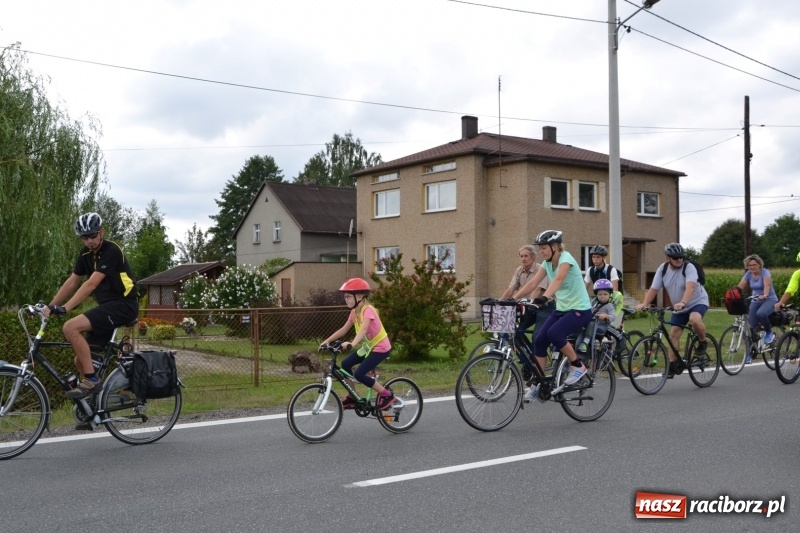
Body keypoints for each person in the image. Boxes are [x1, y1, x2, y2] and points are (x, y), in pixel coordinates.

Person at [45, 212, 139, 399]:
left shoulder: (112, 251)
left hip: (124, 305)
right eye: (85, 237)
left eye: (93, 235)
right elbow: (72, 282)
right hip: (108, 307)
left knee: (70, 327)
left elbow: (91, 284)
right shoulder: (85, 254)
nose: (89, 241)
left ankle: (92, 381)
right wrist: (50, 306)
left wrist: (66, 308)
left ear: (101, 232)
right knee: (81, 359)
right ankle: (95, 405)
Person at [512, 230, 593, 402]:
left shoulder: (566, 259)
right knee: (540, 340)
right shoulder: (547, 264)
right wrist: (513, 299)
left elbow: (558, 280)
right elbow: (532, 283)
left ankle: (578, 366)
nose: (541, 251)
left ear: (555, 247)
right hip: (562, 308)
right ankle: (539, 382)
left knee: (555, 334)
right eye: (540, 248)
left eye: (544, 248)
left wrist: (544, 297)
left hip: (580, 309)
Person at [635, 242, 709, 377]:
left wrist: (683, 302)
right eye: (675, 258)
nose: (679, 259)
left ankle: (703, 342)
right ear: (667, 258)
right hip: (679, 307)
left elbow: (691, 287)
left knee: (694, 319)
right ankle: (673, 364)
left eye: (681, 257)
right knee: (674, 333)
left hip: (697, 301)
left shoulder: (689, 267)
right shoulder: (663, 269)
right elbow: (654, 288)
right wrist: (645, 303)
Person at [321, 278, 395, 410]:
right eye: (345, 297)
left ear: (360, 296)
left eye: (349, 296)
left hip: (381, 348)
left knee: (359, 374)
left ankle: (387, 394)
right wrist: (326, 341)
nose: (346, 299)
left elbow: (364, 329)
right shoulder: (354, 312)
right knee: (345, 364)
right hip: (368, 348)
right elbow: (343, 329)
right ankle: (352, 397)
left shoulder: (368, 310)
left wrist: (352, 344)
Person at [499, 244, 551, 337]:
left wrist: (529, 302)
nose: (523, 259)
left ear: (533, 257)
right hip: (528, 307)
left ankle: (536, 351)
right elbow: (511, 288)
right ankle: (524, 351)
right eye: (521, 256)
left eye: (526, 256)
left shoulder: (541, 269)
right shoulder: (519, 270)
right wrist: (500, 303)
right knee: (514, 330)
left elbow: (538, 289)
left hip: (544, 307)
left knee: (537, 336)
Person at [736, 254, 778, 357]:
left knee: (761, 313)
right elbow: (740, 286)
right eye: (750, 265)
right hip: (756, 299)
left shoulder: (765, 272)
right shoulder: (748, 274)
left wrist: (765, 295)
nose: (752, 267)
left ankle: (769, 333)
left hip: (769, 299)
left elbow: (767, 285)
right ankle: (752, 350)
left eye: (754, 264)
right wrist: (732, 294)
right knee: (752, 325)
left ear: (759, 264)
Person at [575, 279, 617, 355]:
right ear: (596, 295)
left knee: (591, 324)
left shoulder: (609, 306)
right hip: (593, 323)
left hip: (602, 325)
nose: (602, 296)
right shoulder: (594, 303)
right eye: (600, 294)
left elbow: (613, 317)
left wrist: (606, 316)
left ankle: (585, 343)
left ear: (609, 295)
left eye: (605, 294)